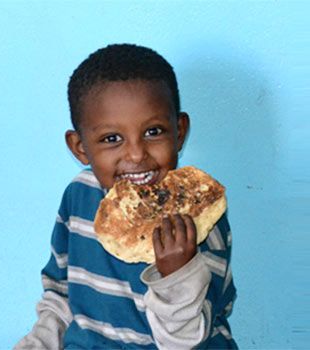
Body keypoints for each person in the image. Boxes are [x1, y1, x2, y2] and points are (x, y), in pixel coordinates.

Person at [15, 43, 238, 349]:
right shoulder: (79, 196)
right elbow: (61, 294)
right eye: (112, 139)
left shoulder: (198, 220)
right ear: (80, 148)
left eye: (153, 132)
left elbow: (187, 343)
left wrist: (178, 274)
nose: (136, 154)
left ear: (180, 131)